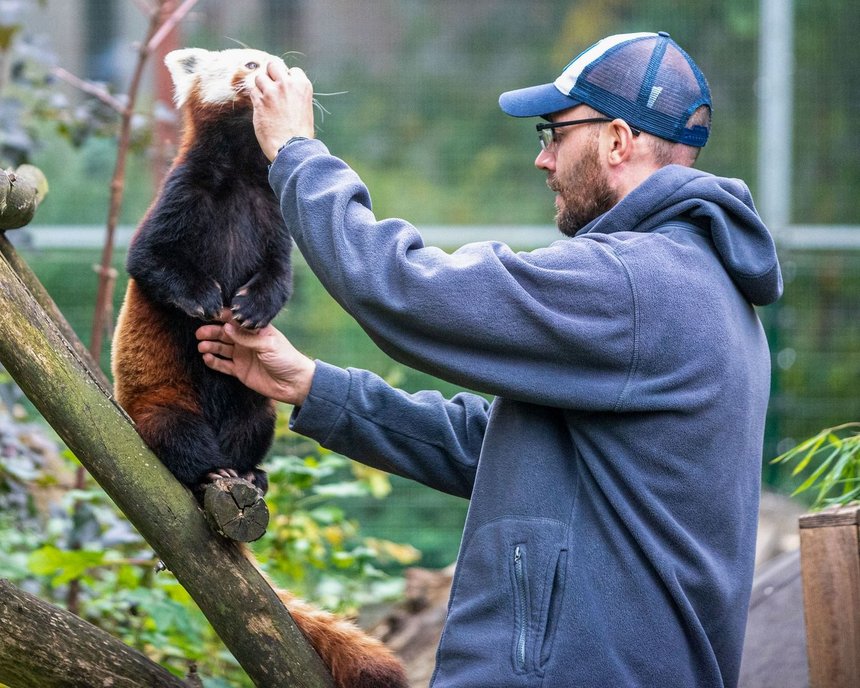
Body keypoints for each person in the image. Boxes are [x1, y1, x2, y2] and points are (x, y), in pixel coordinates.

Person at [196, 31, 782, 688]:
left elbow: (406, 292)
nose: (544, 158)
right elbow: (499, 448)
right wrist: (312, 386)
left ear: (618, 140)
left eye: (554, 133)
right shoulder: (689, 286)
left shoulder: (640, 285)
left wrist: (298, 155)